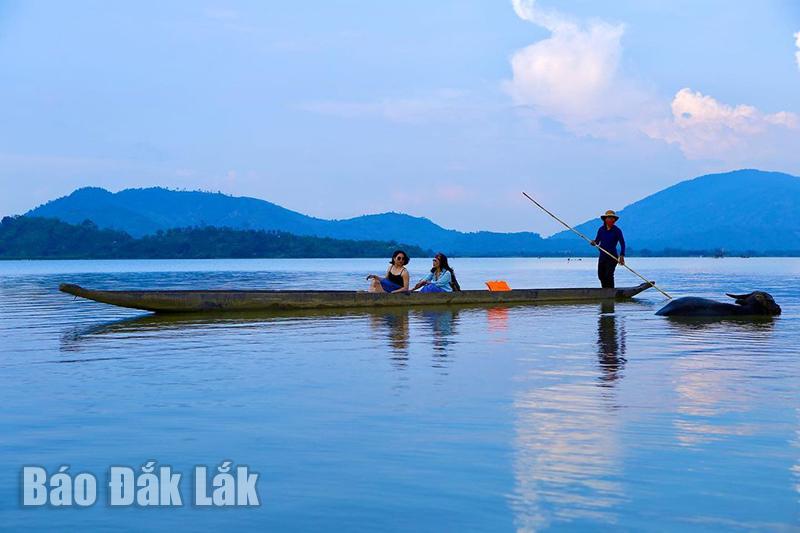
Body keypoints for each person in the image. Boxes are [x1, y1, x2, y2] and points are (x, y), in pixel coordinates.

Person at [590, 210, 626, 289]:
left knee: (608, 275)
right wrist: (594, 242)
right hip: (603, 256)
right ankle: (605, 291)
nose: (611, 220)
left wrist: (622, 255)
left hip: (612, 256)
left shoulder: (617, 230)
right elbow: (597, 241)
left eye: (613, 218)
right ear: (605, 219)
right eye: (609, 218)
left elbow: (622, 243)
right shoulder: (601, 230)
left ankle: (611, 292)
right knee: (601, 275)